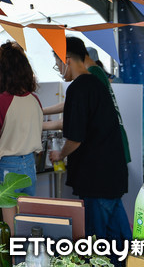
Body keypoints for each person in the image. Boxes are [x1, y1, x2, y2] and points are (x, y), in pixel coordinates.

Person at [48, 37, 131, 252]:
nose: (58, 68)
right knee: (119, 238)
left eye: (57, 62)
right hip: (113, 174)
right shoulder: (97, 83)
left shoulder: (79, 88)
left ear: (66, 59)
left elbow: (75, 137)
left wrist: (59, 155)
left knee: (97, 242)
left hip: (97, 178)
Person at [43, 46, 131, 164]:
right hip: (112, 145)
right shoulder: (97, 73)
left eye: (59, 65)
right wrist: (41, 111)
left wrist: (41, 125)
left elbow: (73, 123)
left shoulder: (89, 78)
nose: (60, 70)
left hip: (105, 149)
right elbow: (70, 104)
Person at [0, 41, 42, 196]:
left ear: (0, 71)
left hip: (5, 165)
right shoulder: (34, 99)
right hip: (30, 164)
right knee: (25, 215)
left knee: (6, 218)